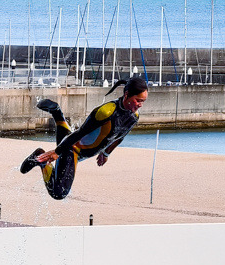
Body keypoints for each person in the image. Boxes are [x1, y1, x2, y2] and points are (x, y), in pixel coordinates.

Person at [19, 75, 148, 200]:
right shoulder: (106, 112)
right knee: (59, 193)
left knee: (66, 138)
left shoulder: (133, 117)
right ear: (127, 95)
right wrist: (56, 152)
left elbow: (119, 137)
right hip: (73, 149)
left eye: (143, 101)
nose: (140, 105)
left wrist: (106, 153)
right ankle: (41, 159)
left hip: (79, 146)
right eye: (139, 100)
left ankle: (57, 112)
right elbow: (80, 133)